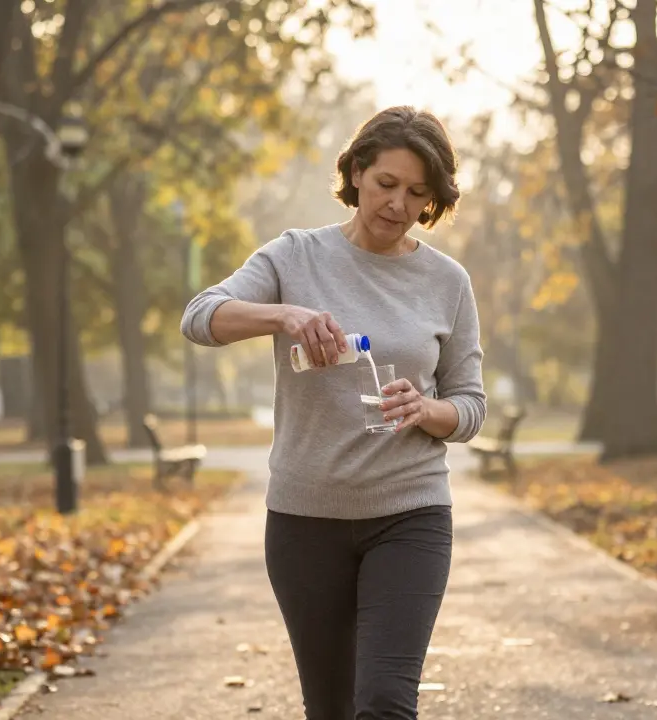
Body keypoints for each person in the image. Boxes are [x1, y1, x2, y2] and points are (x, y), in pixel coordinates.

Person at [180, 105, 486, 720]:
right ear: (356, 173)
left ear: (434, 199)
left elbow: (471, 405)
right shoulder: (295, 257)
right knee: (330, 707)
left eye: (417, 192)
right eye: (386, 184)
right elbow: (200, 317)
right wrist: (284, 314)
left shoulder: (447, 281)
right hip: (304, 521)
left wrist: (427, 409)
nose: (398, 204)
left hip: (410, 514)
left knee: (383, 702)